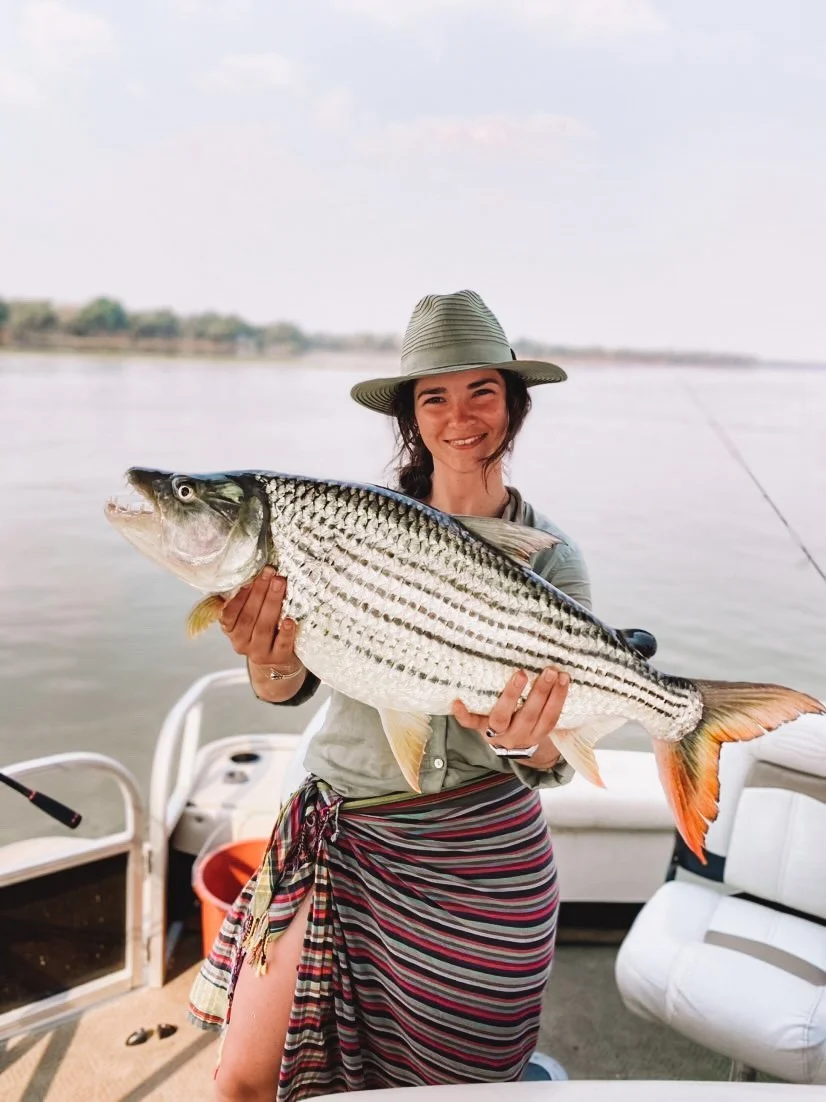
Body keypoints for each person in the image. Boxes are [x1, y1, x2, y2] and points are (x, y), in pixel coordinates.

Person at [189, 290, 594, 1101]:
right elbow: (287, 684)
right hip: (342, 838)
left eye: (482, 390)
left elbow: (552, 755)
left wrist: (523, 737)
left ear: (514, 404)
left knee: (454, 1091)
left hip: (484, 863)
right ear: (412, 415)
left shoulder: (552, 557)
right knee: (240, 1078)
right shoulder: (346, 524)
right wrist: (264, 659)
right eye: (433, 396)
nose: (459, 415)